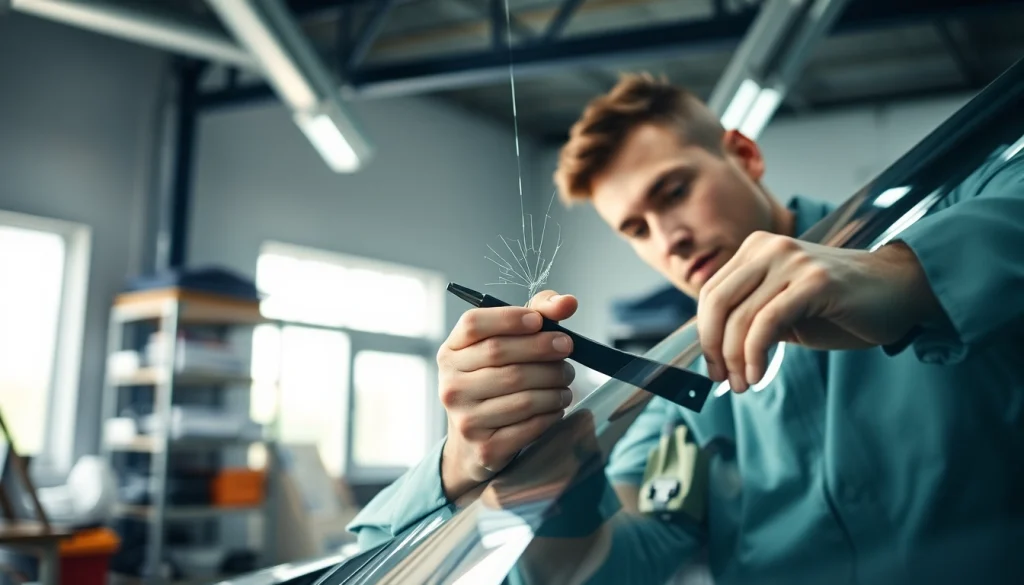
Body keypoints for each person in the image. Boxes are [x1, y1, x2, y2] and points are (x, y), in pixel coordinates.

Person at [347, 73, 1024, 584]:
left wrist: (907, 279)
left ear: (744, 154)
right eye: (635, 228)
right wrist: (547, 485)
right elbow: (621, 562)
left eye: (673, 191)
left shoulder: (941, 213)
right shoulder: (682, 388)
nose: (667, 238)